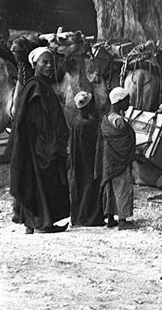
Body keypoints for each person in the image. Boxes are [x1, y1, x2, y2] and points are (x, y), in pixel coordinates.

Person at [9, 47, 70, 234]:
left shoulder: (41, 85)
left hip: (37, 143)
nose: (49, 66)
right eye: (44, 62)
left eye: (51, 62)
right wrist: (49, 142)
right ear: (34, 64)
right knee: (41, 182)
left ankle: (31, 224)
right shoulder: (36, 87)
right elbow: (36, 119)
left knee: (34, 182)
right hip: (38, 144)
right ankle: (43, 224)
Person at [95, 87, 136, 229]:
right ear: (119, 101)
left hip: (108, 160)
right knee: (123, 188)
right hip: (120, 161)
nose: (128, 104)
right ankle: (123, 221)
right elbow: (125, 141)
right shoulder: (119, 120)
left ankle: (111, 218)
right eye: (126, 101)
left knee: (110, 189)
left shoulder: (106, 119)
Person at [68, 91, 104, 227]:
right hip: (88, 161)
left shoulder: (76, 122)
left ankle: (78, 218)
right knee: (90, 186)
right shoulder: (89, 124)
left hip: (78, 161)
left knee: (79, 186)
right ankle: (91, 218)